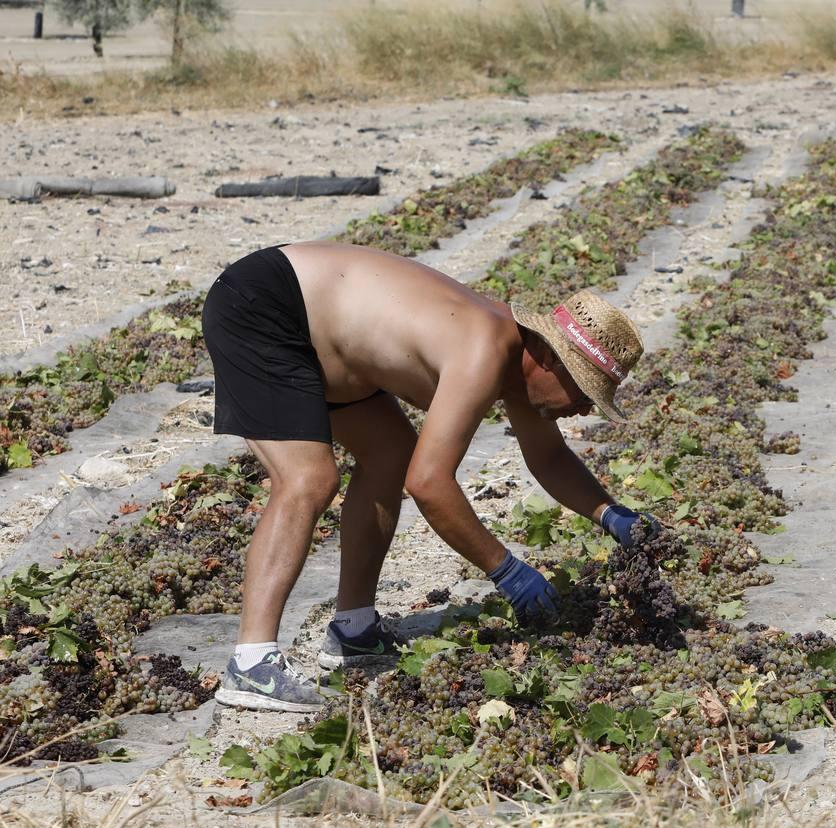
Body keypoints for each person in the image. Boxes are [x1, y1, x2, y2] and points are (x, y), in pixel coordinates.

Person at [201, 242, 656, 713]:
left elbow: (549, 458)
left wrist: (613, 515)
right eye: (584, 392)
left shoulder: (524, 368)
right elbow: (430, 483)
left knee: (389, 451)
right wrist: (506, 571)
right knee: (309, 480)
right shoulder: (483, 350)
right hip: (267, 305)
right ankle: (251, 663)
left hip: (327, 345)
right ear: (552, 361)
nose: (584, 408)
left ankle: (353, 630)